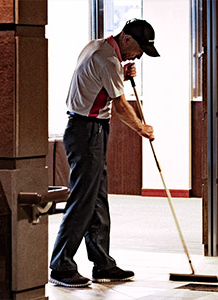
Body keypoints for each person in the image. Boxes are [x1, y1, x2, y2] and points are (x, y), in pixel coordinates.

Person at [49, 19, 160, 288]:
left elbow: (97, 82)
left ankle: (102, 263)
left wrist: (122, 74)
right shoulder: (108, 59)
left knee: (97, 197)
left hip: (89, 129)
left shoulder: (96, 47)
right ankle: (61, 266)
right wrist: (141, 128)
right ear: (127, 39)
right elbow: (120, 105)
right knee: (83, 199)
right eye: (139, 49)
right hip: (87, 130)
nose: (139, 56)